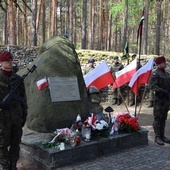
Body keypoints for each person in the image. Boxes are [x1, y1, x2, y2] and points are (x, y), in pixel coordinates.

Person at [0, 51, 28, 170]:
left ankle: (13, 166)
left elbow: (23, 100)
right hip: (2, 119)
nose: (10, 62)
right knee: (1, 145)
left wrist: (23, 116)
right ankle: (5, 166)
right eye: (7, 60)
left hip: (16, 117)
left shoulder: (17, 79)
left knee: (15, 144)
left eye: (11, 60)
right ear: (1, 62)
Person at [149, 55, 170, 145]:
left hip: (166, 100)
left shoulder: (167, 74)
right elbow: (152, 86)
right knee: (158, 118)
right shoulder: (155, 73)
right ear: (159, 64)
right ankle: (157, 137)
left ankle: (162, 135)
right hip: (159, 100)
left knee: (164, 118)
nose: (165, 64)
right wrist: (163, 91)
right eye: (163, 62)